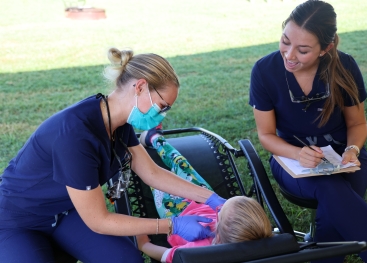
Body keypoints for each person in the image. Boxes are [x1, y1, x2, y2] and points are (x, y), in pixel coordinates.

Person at [0, 47, 226, 263]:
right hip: (17, 219)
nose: (162, 115)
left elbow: (152, 173)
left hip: (65, 211)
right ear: (140, 87)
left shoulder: (117, 121)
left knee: (125, 260)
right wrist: (172, 225)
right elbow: (99, 220)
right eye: (162, 106)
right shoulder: (74, 135)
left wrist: (214, 200)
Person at [249, 1, 367, 263]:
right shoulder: (264, 70)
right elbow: (266, 136)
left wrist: (352, 150)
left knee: (333, 206)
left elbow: (358, 125)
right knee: (330, 187)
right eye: (285, 41)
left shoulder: (345, 66)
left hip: (346, 157)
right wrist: (297, 153)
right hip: (291, 160)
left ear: (326, 49)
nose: (289, 55)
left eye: (303, 50)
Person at [137, 126, 273, 262]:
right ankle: (154, 139)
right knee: (181, 163)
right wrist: (212, 199)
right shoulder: (244, 232)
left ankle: (137, 153)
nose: (219, 207)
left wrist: (144, 245)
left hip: (177, 212)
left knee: (156, 180)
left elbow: (168, 255)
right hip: (202, 197)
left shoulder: (200, 250)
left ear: (218, 236)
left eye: (220, 210)